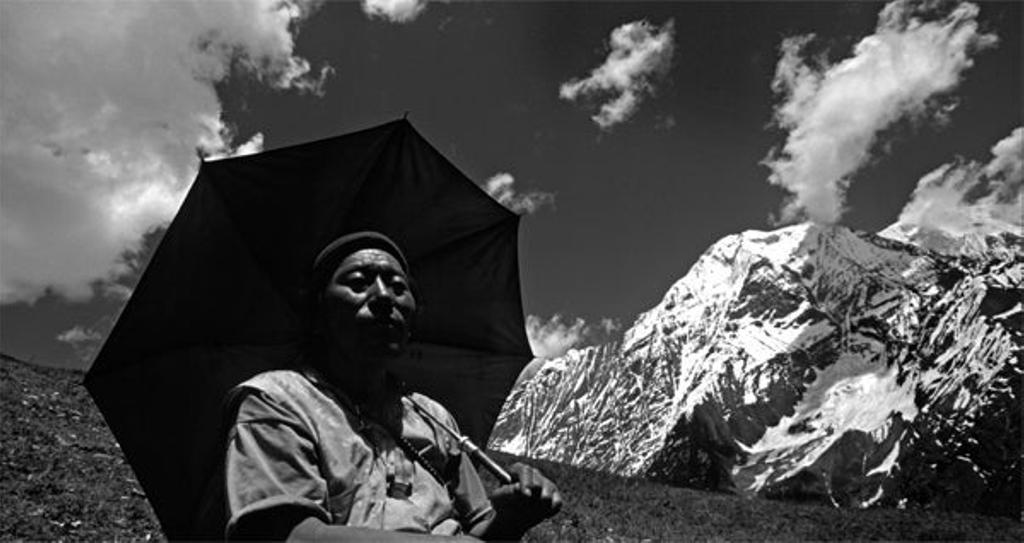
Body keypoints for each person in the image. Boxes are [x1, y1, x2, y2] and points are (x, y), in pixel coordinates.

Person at [219, 231, 562, 540]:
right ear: (318, 313)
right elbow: (288, 535)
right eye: (358, 282)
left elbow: (479, 529)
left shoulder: (434, 418)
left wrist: (512, 516)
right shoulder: (277, 400)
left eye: (399, 288)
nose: (385, 297)